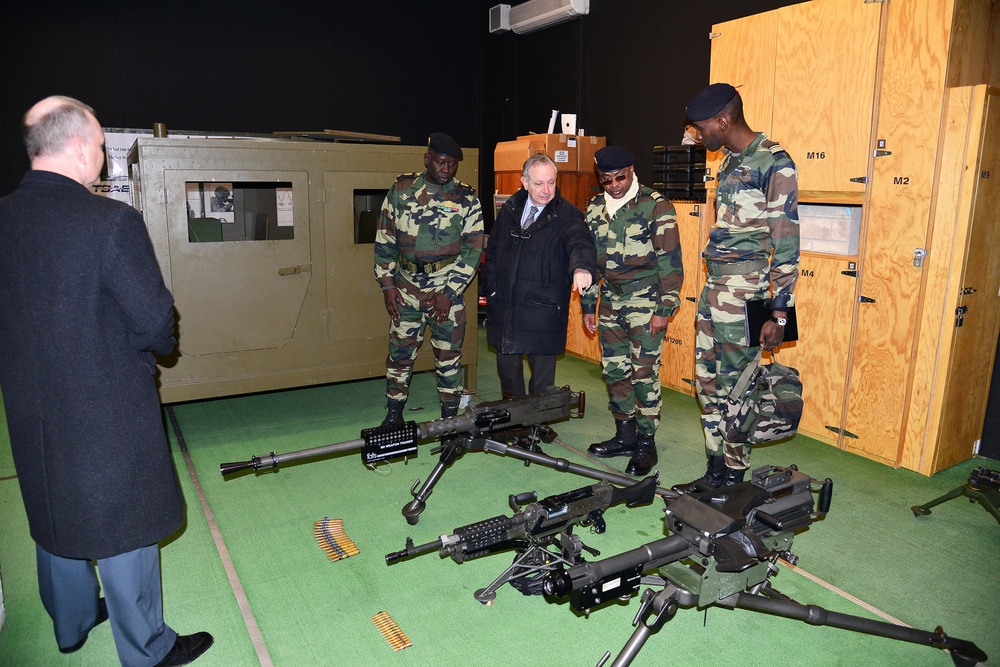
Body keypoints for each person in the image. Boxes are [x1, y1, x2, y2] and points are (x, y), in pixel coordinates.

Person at [0, 96, 213, 665]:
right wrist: (161, 342)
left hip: (29, 406)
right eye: (99, 145)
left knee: (53, 504)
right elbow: (153, 320)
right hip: (105, 405)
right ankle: (148, 647)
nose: (103, 156)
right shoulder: (110, 222)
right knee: (126, 520)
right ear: (75, 147)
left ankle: (70, 622)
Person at [672, 83, 799, 493]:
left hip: (747, 290)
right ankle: (714, 470)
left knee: (738, 387)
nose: (698, 134)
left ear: (723, 121)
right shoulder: (728, 162)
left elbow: (787, 241)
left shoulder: (774, 162)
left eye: (701, 127)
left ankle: (733, 475)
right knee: (707, 381)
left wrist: (780, 311)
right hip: (716, 288)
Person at [581, 146, 684, 477]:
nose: (613, 185)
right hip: (610, 301)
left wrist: (664, 309)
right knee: (614, 372)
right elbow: (591, 261)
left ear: (632, 170)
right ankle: (624, 434)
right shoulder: (595, 208)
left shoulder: (656, 206)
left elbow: (670, 262)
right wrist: (589, 305)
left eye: (620, 178)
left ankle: (645, 443)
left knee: (643, 374)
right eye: (606, 179)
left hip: (646, 303)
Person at [374, 132, 484, 425]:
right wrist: (387, 285)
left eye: (452, 164)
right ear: (427, 159)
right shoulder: (402, 189)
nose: (446, 170)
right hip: (406, 287)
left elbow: (473, 251)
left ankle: (450, 420)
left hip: (446, 288)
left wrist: (449, 293)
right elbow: (385, 239)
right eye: (440, 162)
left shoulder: (466, 198)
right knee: (399, 355)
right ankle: (394, 413)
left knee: (448, 359)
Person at [484, 153, 596, 402]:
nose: (547, 190)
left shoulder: (568, 216)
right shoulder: (510, 210)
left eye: (552, 182)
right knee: (509, 376)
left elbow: (581, 243)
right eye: (539, 183)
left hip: (542, 312)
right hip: (507, 308)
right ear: (524, 182)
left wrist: (582, 268)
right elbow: (493, 252)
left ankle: (537, 426)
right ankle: (512, 422)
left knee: (542, 384)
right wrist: (490, 289)